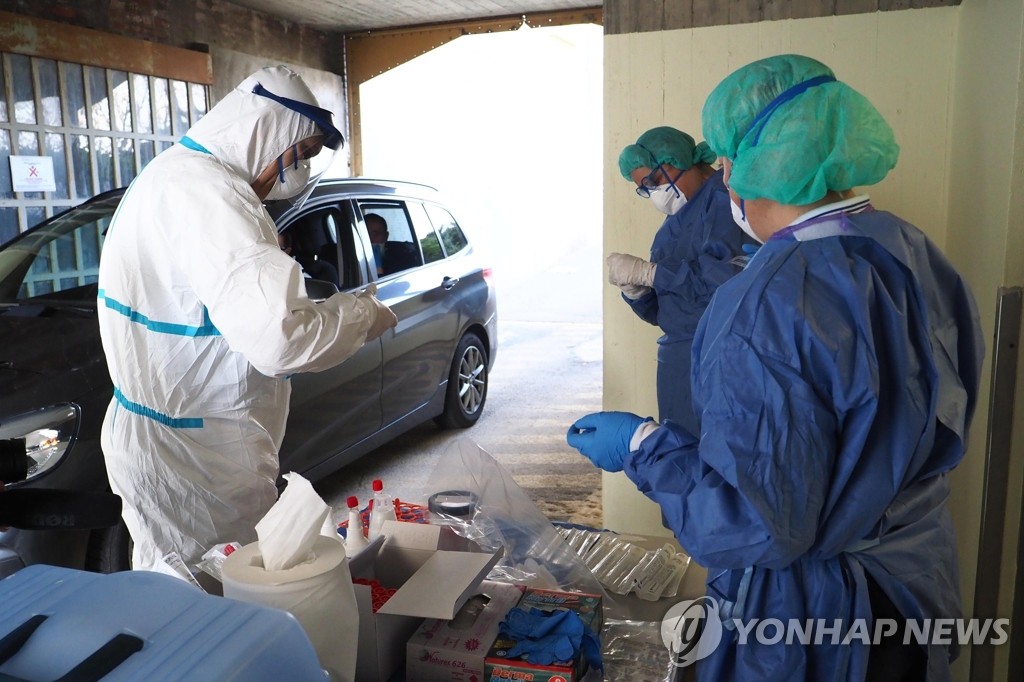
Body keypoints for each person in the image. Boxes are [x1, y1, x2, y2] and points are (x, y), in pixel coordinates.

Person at [567, 54, 984, 681]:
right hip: (912, 576)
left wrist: (644, 447)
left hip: (819, 618)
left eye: (726, 162)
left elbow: (755, 523)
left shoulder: (765, 301)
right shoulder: (907, 247)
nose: (725, 179)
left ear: (755, 165)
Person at [97, 65, 398, 571]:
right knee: (223, 595)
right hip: (200, 456)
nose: (296, 173)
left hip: (169, 439)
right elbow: (282, 340)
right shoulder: (213, 196)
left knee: (175, 585)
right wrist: (363, 314)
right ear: (267, 129)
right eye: (300, 154)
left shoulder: (173, 174)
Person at [609, 126, 755, 434]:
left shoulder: (722, 201)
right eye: (644, 189)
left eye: (655, 181)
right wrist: (638, 293)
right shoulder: (675, 222)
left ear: (677, 160)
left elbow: (725, 281)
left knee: (714, 450)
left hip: (716, 357)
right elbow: (669, 310)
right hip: (678, 363)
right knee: (677, 450)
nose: (654, 193)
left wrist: (653, 273)